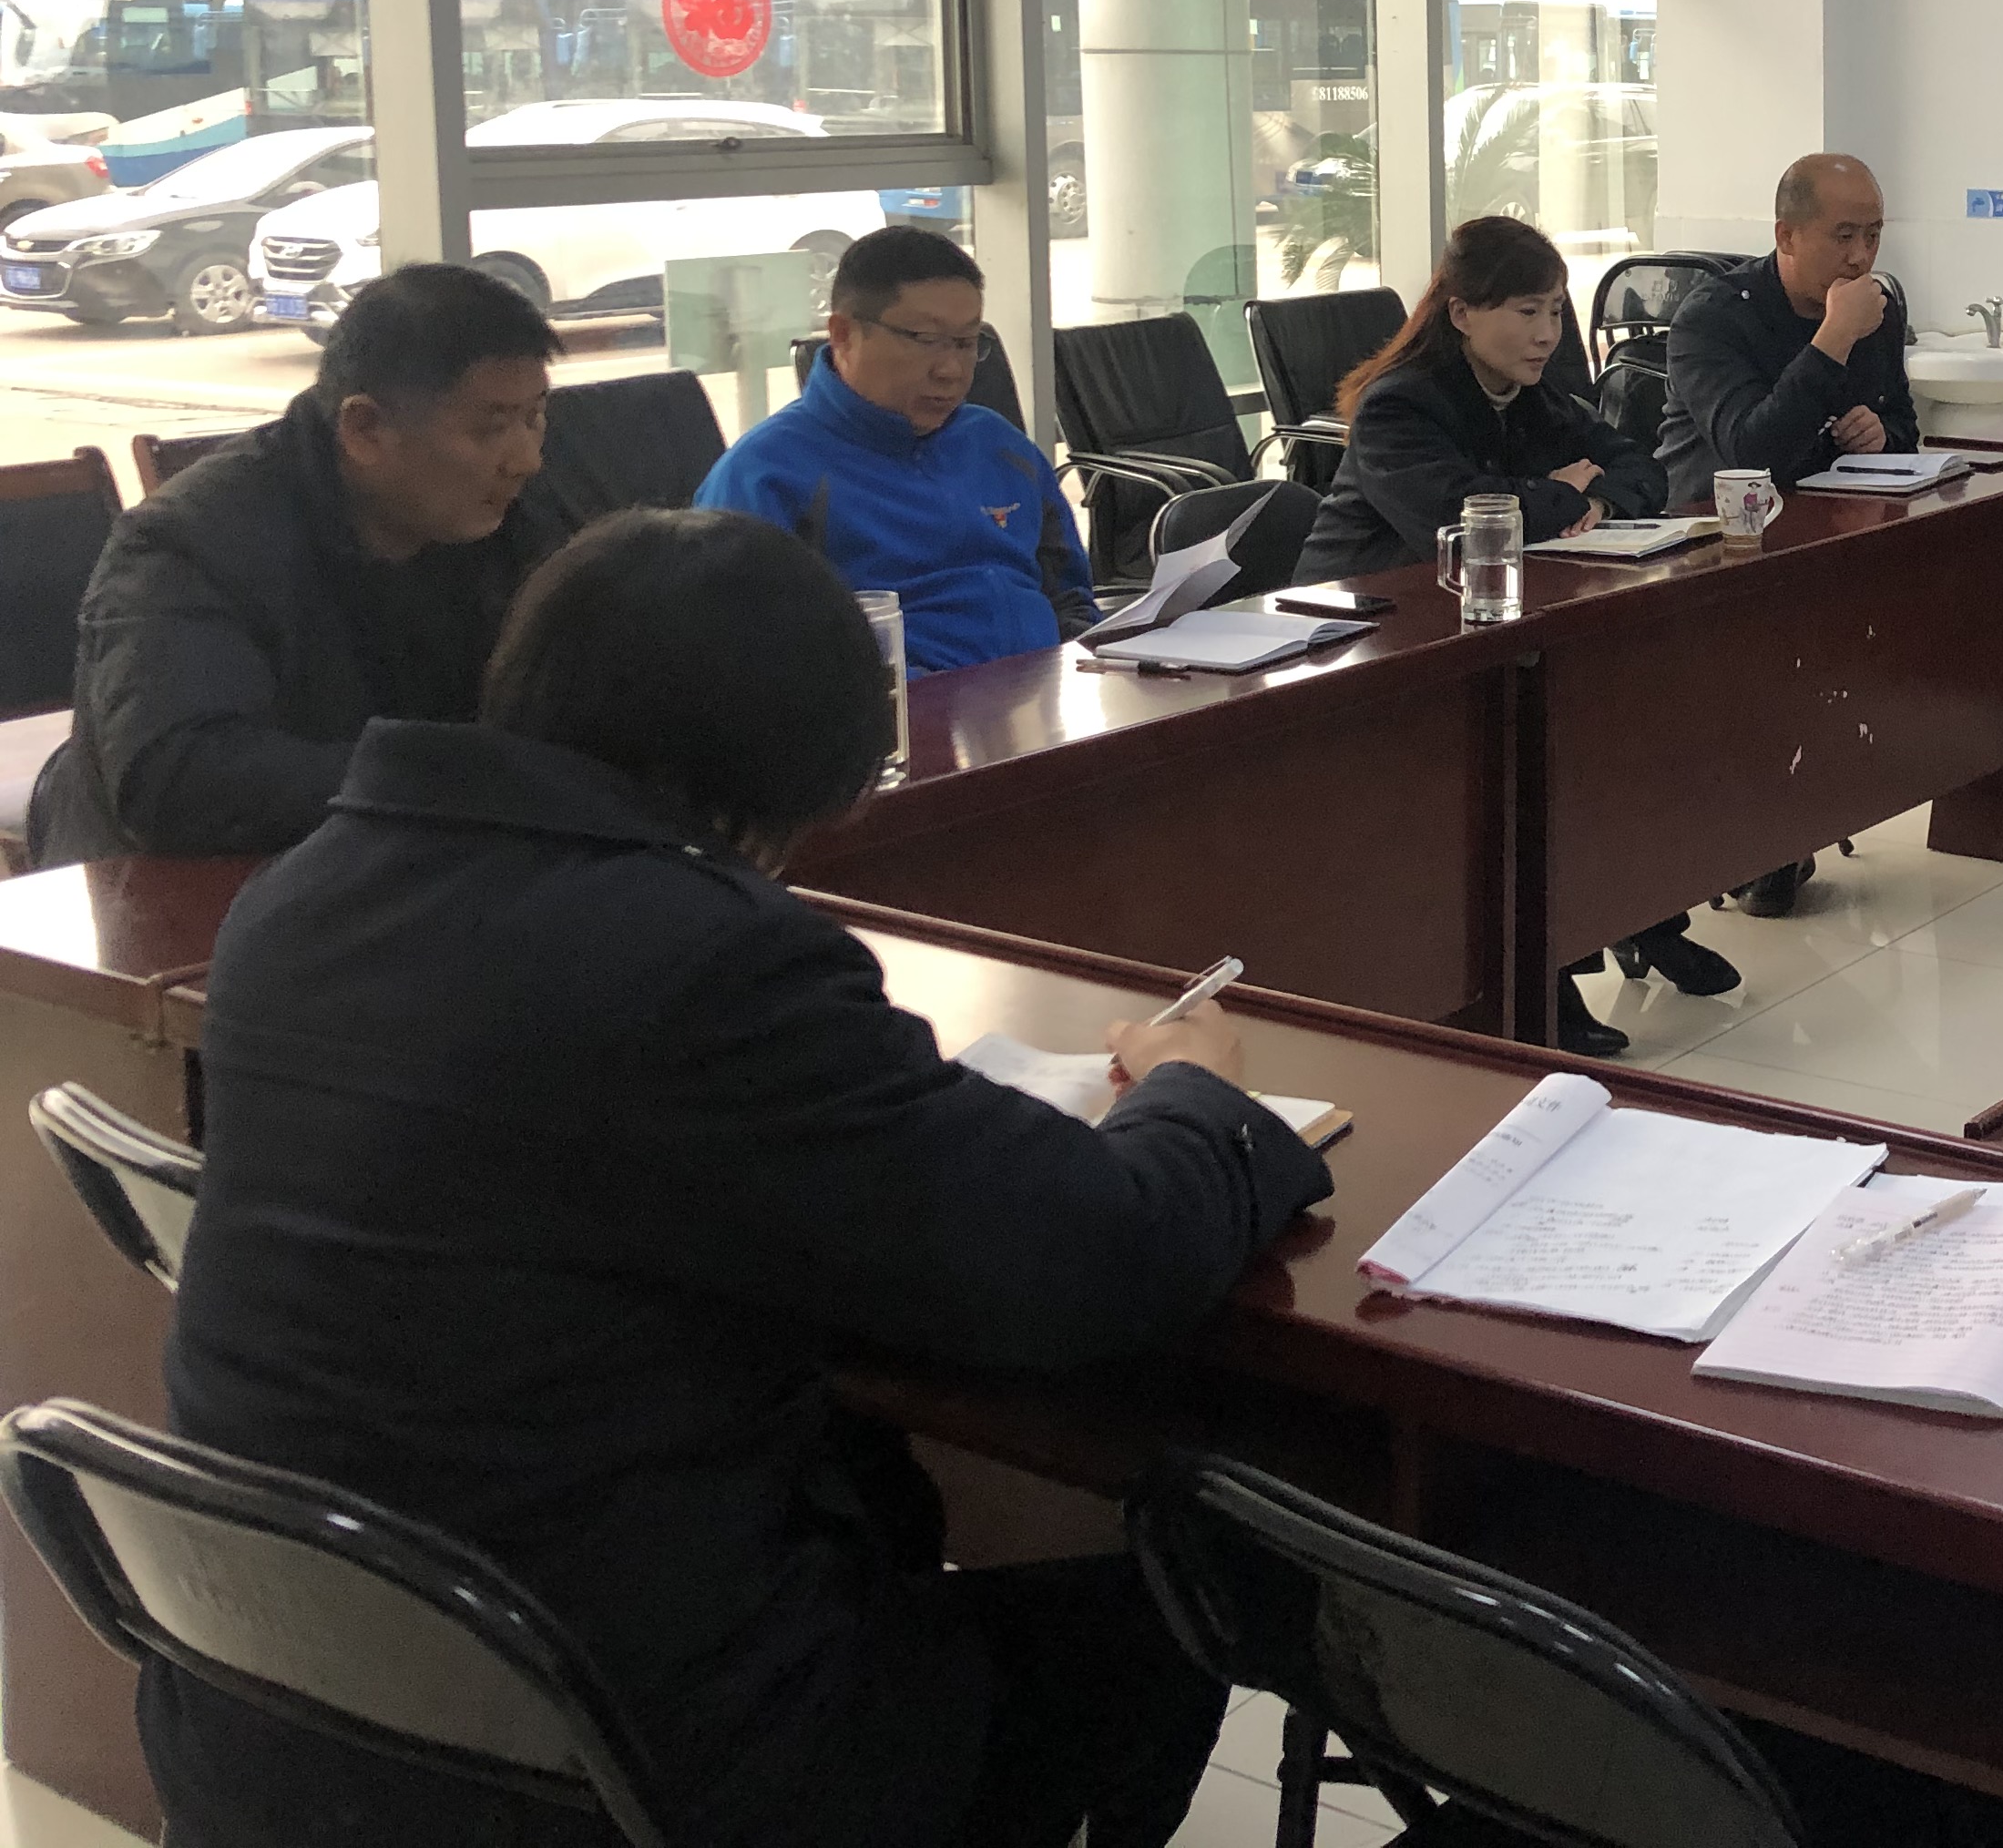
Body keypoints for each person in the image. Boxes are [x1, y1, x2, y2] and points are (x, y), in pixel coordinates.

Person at [148, 507, 1335, 1848]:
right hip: (607, 1769)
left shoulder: (298, 898)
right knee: (1168, 1613)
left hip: (277, 1720)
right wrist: (1196, 1094)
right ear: (763, 788)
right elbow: (1094, 1258)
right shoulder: (698, 963)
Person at [1297, 213, 1732, 1049]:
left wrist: (1582, 493)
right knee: (1531, 759)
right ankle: (1546, 979)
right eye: (1526, 312)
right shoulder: (1403, 404)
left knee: (1621, 725)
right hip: (1373, 640)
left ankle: (1637, 914)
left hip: (1490, 620)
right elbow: (1462, 518)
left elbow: (1641, 469)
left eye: (1556, 312)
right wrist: (1562, 495)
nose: (1546, 334)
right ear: (1463, 313)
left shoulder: (1534, 397)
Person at [27, 261, 562, 864]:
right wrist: (463, 774)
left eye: (535, 417)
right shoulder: (191, 541)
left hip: (402, 865)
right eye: (491, 428)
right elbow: (179, 784)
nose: (526, 458)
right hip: (174, 890)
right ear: (365, 428)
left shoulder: (503, 517)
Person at [1655, 154, 1918, 914]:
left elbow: (1905, 424)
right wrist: (1832, 339)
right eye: (1843, 236)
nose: (1861, 257)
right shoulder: (1714, 316)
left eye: (1874, 235)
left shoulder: (1875, 311)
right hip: (1715, 545)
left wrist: (1883, 434)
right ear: (1787, 236)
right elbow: (1750, 447)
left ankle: (1803, 808)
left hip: (1830, 534)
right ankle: (1759, 832)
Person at [694, 227, 1090, 674]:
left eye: (966, 343)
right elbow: (745, 661)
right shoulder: (765, 475)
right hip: (897, 709)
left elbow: (1071, 596)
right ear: (843, 334)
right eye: (925, 339)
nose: (951, 370)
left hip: (1045, 692)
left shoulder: (999, 445)